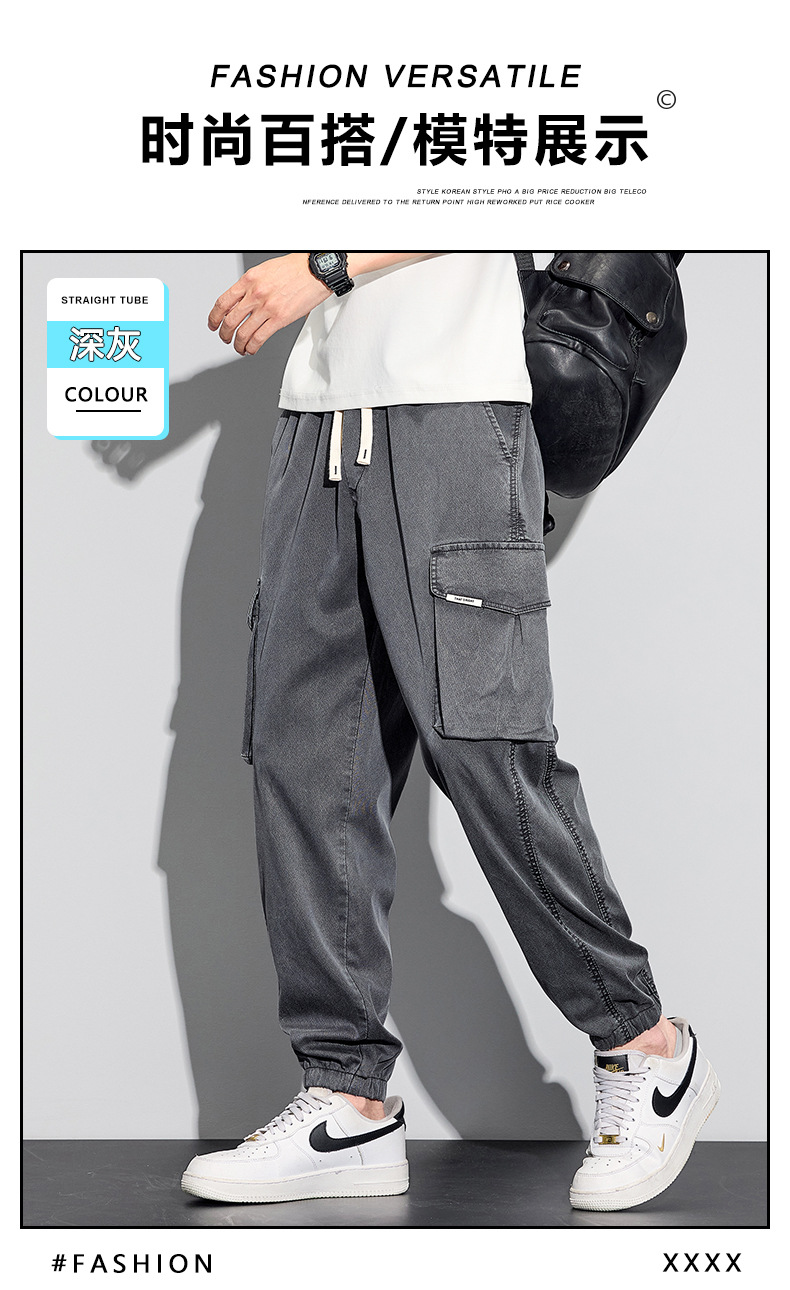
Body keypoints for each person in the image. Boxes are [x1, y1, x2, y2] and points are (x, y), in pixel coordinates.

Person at [180, 252, 719, 1212]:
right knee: (307, 759)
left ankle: (646, 1048)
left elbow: (497, 180)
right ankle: (347, 1097)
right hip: (318, 413)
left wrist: (327, 268)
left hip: (457, 406)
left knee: (486, 748)